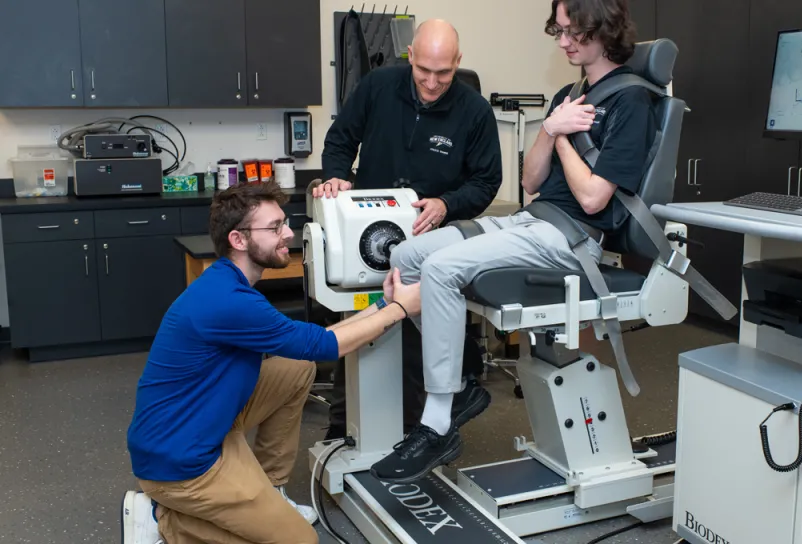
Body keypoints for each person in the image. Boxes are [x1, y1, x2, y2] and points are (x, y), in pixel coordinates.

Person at [368, 0, 655, 484]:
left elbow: (591, 198)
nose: (562, 41)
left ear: (601, 29)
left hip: (569, 237)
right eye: (558, 31)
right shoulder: (570, 92)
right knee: (406, 254)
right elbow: (529, 179)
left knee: (441, 270)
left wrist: (560, 135)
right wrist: (550, 126)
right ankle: (459, 385)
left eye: (570, 32)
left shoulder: (632, 102)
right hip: (530, 219)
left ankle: (437, 421)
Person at [120, 182, 421, 544]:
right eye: (275, 227)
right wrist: (402, 309)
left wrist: (384, 306)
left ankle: (270, 489)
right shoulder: (230, 301)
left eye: (284, 223)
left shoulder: (228, 281)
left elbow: (311, 345)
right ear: (239, 239)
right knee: (300, 541)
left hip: (205, 421)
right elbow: (327, 344)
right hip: (181, 462)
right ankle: (162, 520)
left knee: (295, 369)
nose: (289, 234)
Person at [311, 18, 502, 441]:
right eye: (423, 71)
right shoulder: (378, 87)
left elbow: (486, 182)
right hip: (366, 239)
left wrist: (447, 203)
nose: (432, 83)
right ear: (410, 56)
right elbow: (340, 139)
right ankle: (344, 433)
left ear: (458, 64)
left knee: (420, 347)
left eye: (444, 73)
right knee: (360, 332)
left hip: (428, 244)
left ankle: (420, 439)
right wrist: (338, 177)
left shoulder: (475, 112)